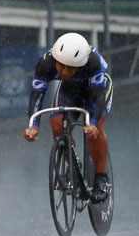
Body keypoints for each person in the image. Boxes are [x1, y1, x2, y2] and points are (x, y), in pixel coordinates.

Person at [24, 32, 112, 202]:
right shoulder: (45, 64)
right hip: (71, 89)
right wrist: (33, 125)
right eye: (60, 66)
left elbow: (99, 97)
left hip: (96, 90)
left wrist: (92, 122)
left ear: (79, 65)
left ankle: (101, 178)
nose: (63, 71)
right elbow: (37, 95)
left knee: (96, 128)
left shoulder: (93, 63)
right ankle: (71, 161)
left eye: (70, 68)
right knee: (57, 124)